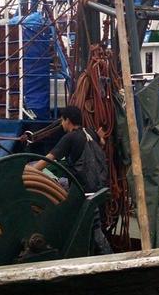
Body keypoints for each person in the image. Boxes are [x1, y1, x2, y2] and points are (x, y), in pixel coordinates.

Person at [30, 105, 112, 254]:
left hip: (81, 191)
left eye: (62, 120)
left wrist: (28, 172)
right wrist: (100, 136)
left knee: (95, 230)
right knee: (94, 227)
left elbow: (48, 160)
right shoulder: (90, 132)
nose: (62, 124)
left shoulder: (69, 137)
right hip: (98, 189)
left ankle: (108, 257)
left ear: (67, 120)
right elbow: (101, 142)